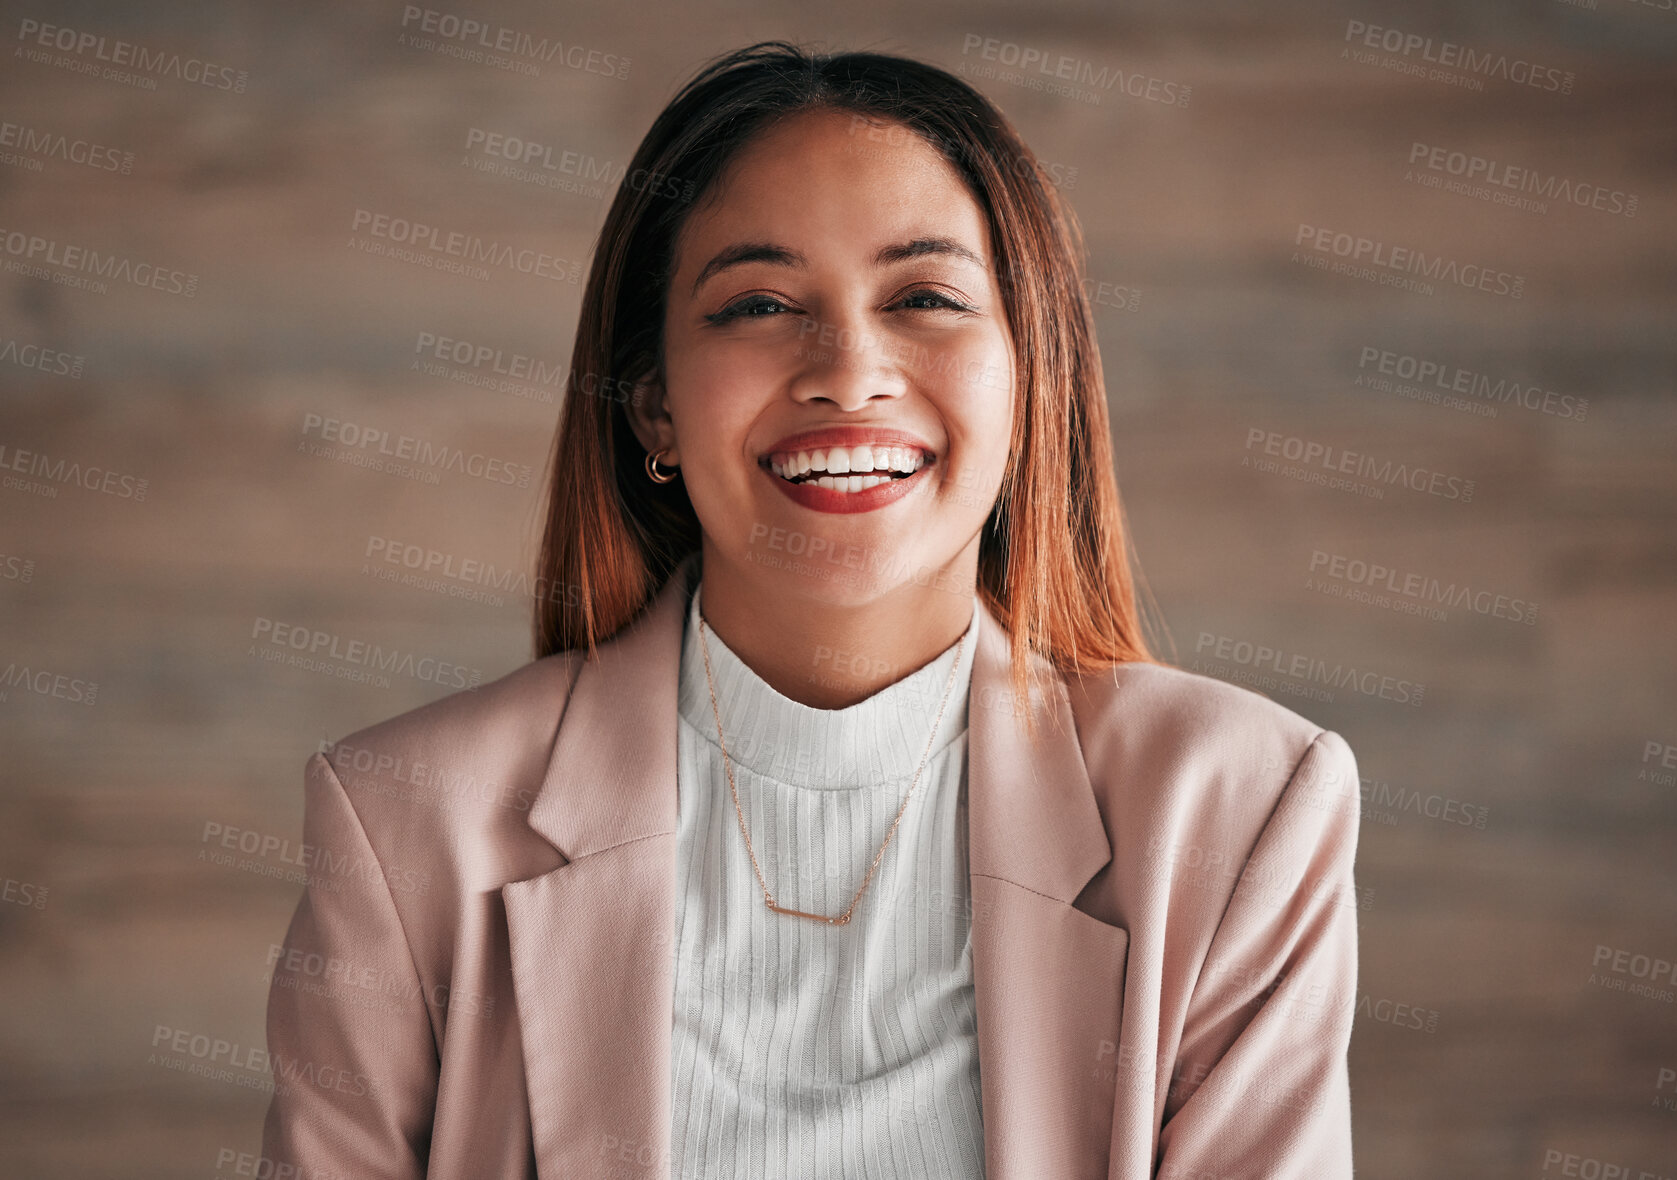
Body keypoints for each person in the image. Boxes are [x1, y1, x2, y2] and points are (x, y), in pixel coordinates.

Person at [261, 39, 1361, 1180]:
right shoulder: (405, 825)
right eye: (758, 304)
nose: (847, 370)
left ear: (1029, 380)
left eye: (924, 297)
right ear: (652, 407)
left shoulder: (1238, 811)